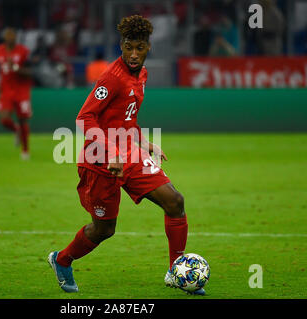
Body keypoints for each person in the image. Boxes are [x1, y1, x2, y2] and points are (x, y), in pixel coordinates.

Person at [48, 15, 203, 295]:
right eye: (128, 47)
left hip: (128, 153)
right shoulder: (112, 78)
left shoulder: (141, 75)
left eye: (139, 48)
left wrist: (145, 143)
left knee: (175, 201)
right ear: (121, 45)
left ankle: (176, 272)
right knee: (104, 229)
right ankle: (62, 259)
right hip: (100, 161)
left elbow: (125, 120)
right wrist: (111, 154)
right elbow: (84, 119)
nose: (133, 54)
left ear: (148, 48)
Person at [0, 28, 33, 160]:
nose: (10, 38)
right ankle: (17, 130)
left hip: (21, 90)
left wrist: (15, 67)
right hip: (6, 89)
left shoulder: (24, 51)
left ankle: (25, 150)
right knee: (4, 119)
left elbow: (30, 71)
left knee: (22, 119)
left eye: (12, 35)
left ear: (16, 37)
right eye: (7, 35)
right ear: (4, 37)